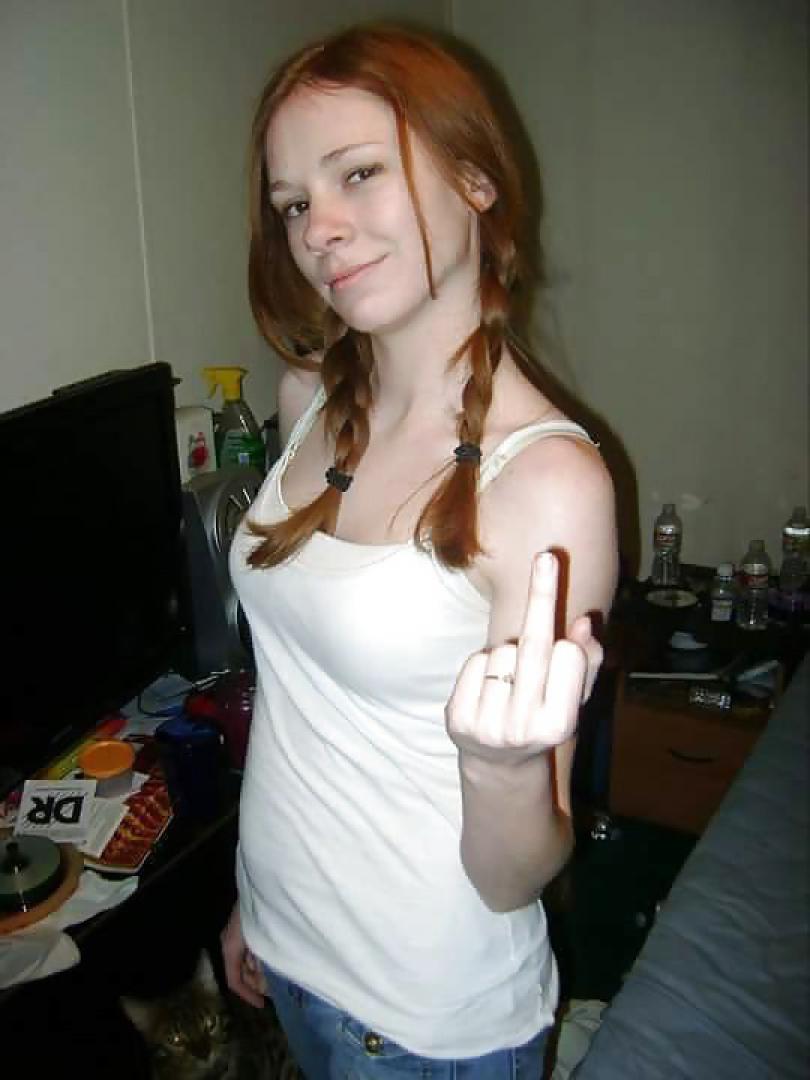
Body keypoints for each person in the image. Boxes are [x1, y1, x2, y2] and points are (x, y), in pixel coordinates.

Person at [221, 21, 618, 1078]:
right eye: (294, 203)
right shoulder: (307, 401)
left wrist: (501, 766)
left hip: (418, 1028)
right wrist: (255, 898)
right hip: (284, 946)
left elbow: (513, 879)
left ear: (476, 178)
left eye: (358, 172)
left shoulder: (546, 485)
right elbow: (306, 713)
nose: (319, 229)